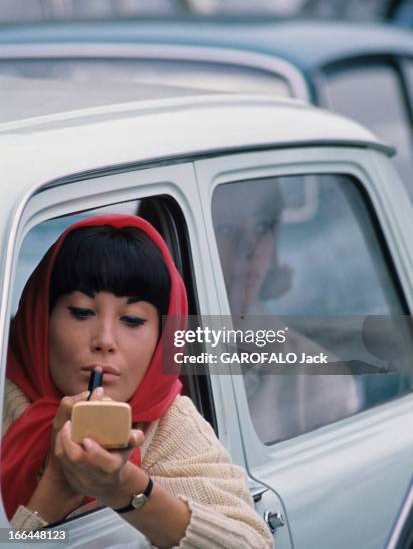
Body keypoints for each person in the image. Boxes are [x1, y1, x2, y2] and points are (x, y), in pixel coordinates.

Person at [1, 214, 272, 548]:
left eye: (131, 320)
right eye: (82, 312)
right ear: (41, 316)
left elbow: (252, 543)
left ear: (163, 336)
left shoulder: (170, 426)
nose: (104, 340)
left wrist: (122, 486)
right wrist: (58, 482)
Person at [212, 178, 362, 444]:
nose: (250, 248)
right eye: (225, 229)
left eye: (261, 226)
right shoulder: (143, 347)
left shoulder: (320, 380)